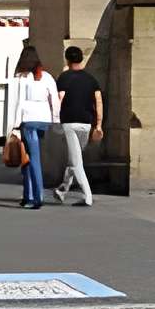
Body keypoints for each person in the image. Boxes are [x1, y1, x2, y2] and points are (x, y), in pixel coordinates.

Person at [8, 41, 63, 211]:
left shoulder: (22, 77)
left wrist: (15, 125)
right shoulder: (46, 76)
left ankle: (37, 196)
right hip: (44, 120)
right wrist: (55, 120)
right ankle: (28, 195)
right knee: (27, 156)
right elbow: (54, 100)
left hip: (28, 121)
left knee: (32, 160)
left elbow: (19, 103)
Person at [55, 45, 103, 206]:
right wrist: (99, 124)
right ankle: (62, 189)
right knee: (75, 158)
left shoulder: (64, 78)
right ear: (81, 59)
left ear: (67, 59)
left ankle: (87, 196)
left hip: (69, 122)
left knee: (76, 163)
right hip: (86, 124)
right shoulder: (91, 80)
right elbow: (98, 101)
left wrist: (55, 118)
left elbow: (60, 98)